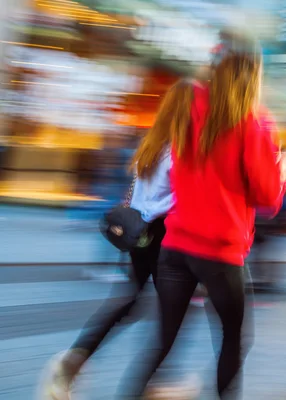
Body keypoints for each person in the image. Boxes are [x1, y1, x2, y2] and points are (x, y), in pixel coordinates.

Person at [118, 30, 286, 399]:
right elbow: (267, 199)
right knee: (233, 340)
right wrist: (284, 167)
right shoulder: (255, 124)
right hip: (220, 254)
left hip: (175, 247)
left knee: (163, 341)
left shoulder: (190, 110)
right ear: (253, 74)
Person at [39, 81, 194, 400]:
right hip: (161, 234)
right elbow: (184, 196)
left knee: (132, 302)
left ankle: (73, 363)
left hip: (139, 232)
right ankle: (147, 384)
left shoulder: (153, 142)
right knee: (173, 310)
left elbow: (141, 191)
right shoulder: (181, 147)